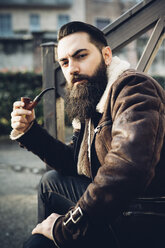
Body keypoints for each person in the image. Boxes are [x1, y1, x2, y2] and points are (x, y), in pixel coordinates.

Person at [10, 21, 165, 248]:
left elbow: (128, 167)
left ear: (106, 55)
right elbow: (74, 163)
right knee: (50, 182)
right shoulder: (93, 99)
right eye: (64, 62)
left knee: (36, 245)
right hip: (120, 205)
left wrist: (65, 228)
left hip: (144, 213)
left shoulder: (134, 88)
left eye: (80, 56)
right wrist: (30, 132)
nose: (71, 68)